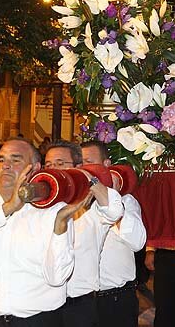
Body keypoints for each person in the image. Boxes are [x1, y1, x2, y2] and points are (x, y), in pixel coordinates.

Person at [0, 137, 90, 325]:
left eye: (15, 160)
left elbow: (57, 277)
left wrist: (61, 226)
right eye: (1, 159)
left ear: (35, 168)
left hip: (38, 320)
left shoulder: (53, 209)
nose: (6, 166)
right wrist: (8, 208)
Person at [43, 140, 124, 327]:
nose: (53, 169)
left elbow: (113, 211)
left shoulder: (93, 205)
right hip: (43, 304)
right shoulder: (40, 206)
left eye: (60, 163)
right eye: (48, 165)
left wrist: (88, 178)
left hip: (79, 306)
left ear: (78, 167)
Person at [82, 141, 146, 327]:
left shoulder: (126, 200)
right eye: (80, 163)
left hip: (115, 298)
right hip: (79, 301)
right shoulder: (70, 203)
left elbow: (137, 243)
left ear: (106, 165)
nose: (84, 169)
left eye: (89, 162)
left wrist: (113, 207)